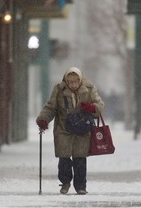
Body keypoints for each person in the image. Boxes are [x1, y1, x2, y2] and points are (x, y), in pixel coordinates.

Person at [36, 67, 104, 195]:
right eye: (70, 82)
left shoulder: (89, 89)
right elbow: (50, 107)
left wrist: (91, 107)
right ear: (66, 81)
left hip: (82, 129)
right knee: (64, 158)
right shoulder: (59, 90)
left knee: (80, 159)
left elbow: (99, 105)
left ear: (80, 80)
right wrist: (43, 119)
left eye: (75, 81)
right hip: (63, 129)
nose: (73, 84)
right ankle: (65, 183)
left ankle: (80, 186)